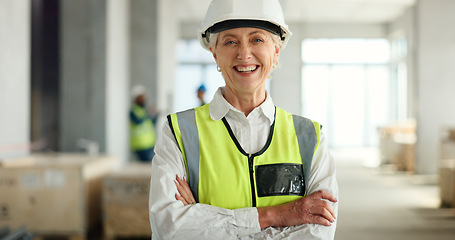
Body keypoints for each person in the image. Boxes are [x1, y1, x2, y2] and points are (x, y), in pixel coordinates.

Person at [149, 0, 338, 239]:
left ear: (276, 51)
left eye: (257, 39)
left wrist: (202, 219)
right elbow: (169, 227)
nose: (244, 53)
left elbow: (318, 233)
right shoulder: (179, 132)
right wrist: (276, 216)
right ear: (214, 53)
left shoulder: (311, 137)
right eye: (230, 41)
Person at [130, 84, 157, 162]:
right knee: (145, 166)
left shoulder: (144, 110)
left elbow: (152, 124)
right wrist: (148, 113)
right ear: (136, 99)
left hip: (149, 143)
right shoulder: (133, 111)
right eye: (141, 98)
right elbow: (138, 122)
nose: (144, 99)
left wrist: (156, 115)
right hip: (140, 145)